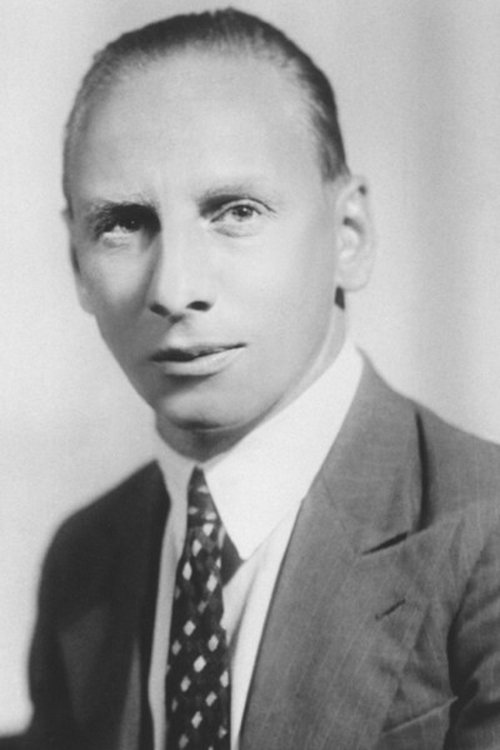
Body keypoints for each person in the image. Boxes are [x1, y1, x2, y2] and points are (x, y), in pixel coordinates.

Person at [14, 7, 500, 750]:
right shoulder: (86, 558)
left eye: (236, 212)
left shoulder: (485, 538)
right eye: (122, 224)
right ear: (77, 264)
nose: (174, 289)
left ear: (349, 236)